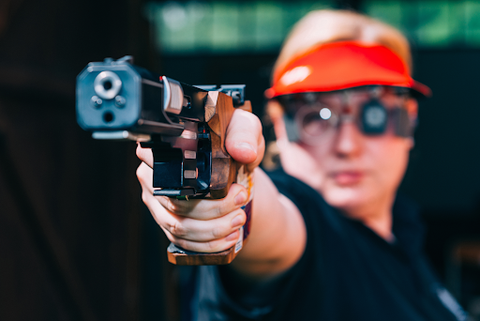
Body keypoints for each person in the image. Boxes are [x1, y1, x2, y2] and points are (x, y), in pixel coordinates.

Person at [136, 9, 467, 321]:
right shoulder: (303, 219)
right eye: (316, 118)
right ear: (279, 125)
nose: (347, 145)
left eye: (375, 115)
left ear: (409, 122)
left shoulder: (405, 231)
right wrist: (222, 185)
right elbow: (273, 223)